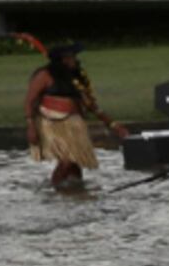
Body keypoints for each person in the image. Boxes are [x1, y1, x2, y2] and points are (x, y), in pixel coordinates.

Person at [24, 41, 123, 195]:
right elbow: (30, 100)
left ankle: (75, 193)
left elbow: (91, 105)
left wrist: (113, 124)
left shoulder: (77, 77)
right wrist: (31, 126)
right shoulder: (44, 75)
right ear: (62, 60)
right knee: (67, 160)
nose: (75, 60)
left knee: (76, 163)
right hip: (52, 123)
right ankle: (54, 192)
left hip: (74, 124)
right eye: (71, 57)